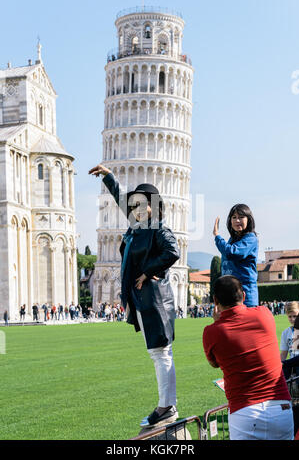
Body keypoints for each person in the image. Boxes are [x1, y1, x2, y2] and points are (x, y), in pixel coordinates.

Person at [89, 163, 180, 428]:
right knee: (159, 353)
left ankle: (166, 406)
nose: (137, 208)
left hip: (155, 299)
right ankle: (167, 404)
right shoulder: (138, 228)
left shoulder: (157, 229)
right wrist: (109, 177)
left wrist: (147, 272)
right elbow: (121, 200)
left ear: (154, 205)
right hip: (144, 299)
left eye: (143, 204)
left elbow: (172, 252)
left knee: (161, 352)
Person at [202, 275, 294, 440]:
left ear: (215, 300)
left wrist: (217, 323)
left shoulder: (211, 332)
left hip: (244, 411)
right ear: (243, 296)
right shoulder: (264, 314)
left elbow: (214, 363)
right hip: (280, 407)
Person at [213, 204, 258, 307]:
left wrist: (217, 236)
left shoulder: (250, 239)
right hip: (229, 294)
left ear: (249, 219)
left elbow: (232, 253)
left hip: (245, 296)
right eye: (234, 217)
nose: (237, 220)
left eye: (241, 217)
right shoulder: (232, 240)